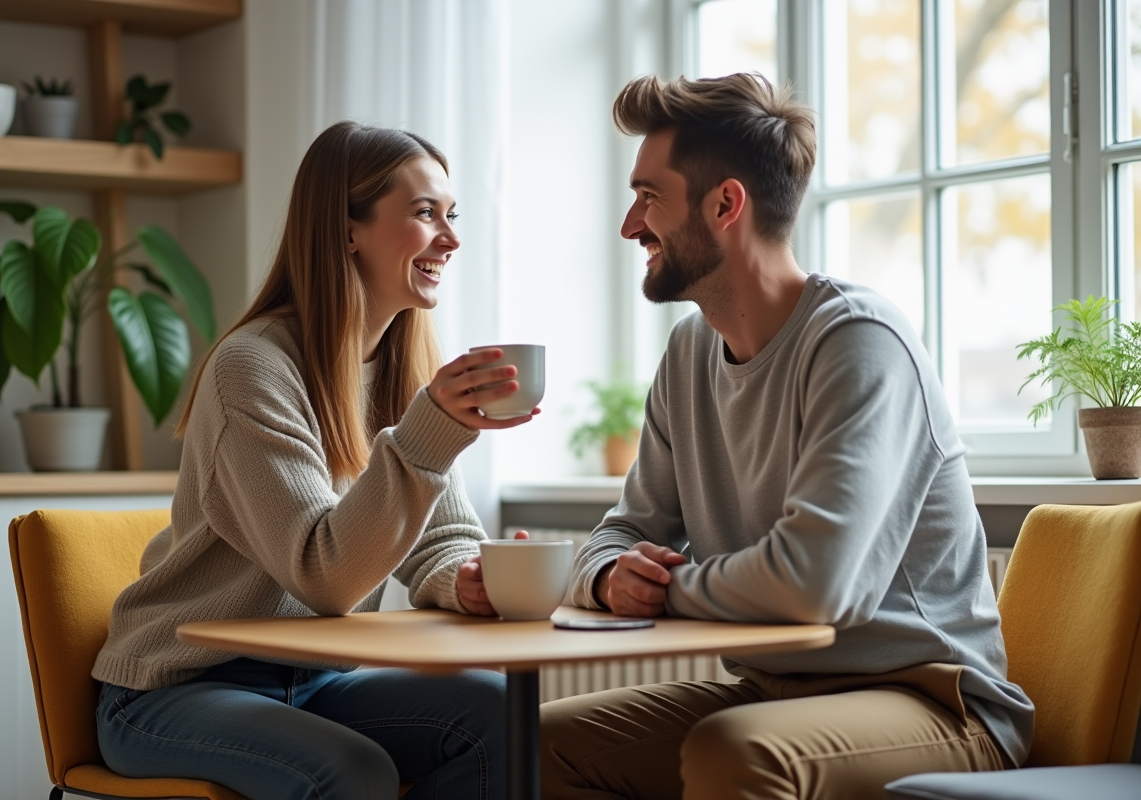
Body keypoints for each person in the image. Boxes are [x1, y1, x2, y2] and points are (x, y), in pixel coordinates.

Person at [539, 73, 1034, 800]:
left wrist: (666, 591)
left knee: (734, 751)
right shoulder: (688, 355)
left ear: (725, 204)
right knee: (538, 745)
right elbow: (622, 531)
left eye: (649, 197)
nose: (629, 225)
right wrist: (612, 579)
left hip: (938, 705)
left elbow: (814, 586)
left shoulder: (859, 343)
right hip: (779, 694)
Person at [93, 121, 537, 800]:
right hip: (176, 689)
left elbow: (442, 538)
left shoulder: (399, 367)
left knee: (501, 717)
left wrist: (464, 580)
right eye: (424, 214)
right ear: (347, 229)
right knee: (355, 773)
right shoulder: (252, 369)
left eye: (451, 215)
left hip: (316, 678)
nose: (450, 238)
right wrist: (432, 429)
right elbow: (324, 575)